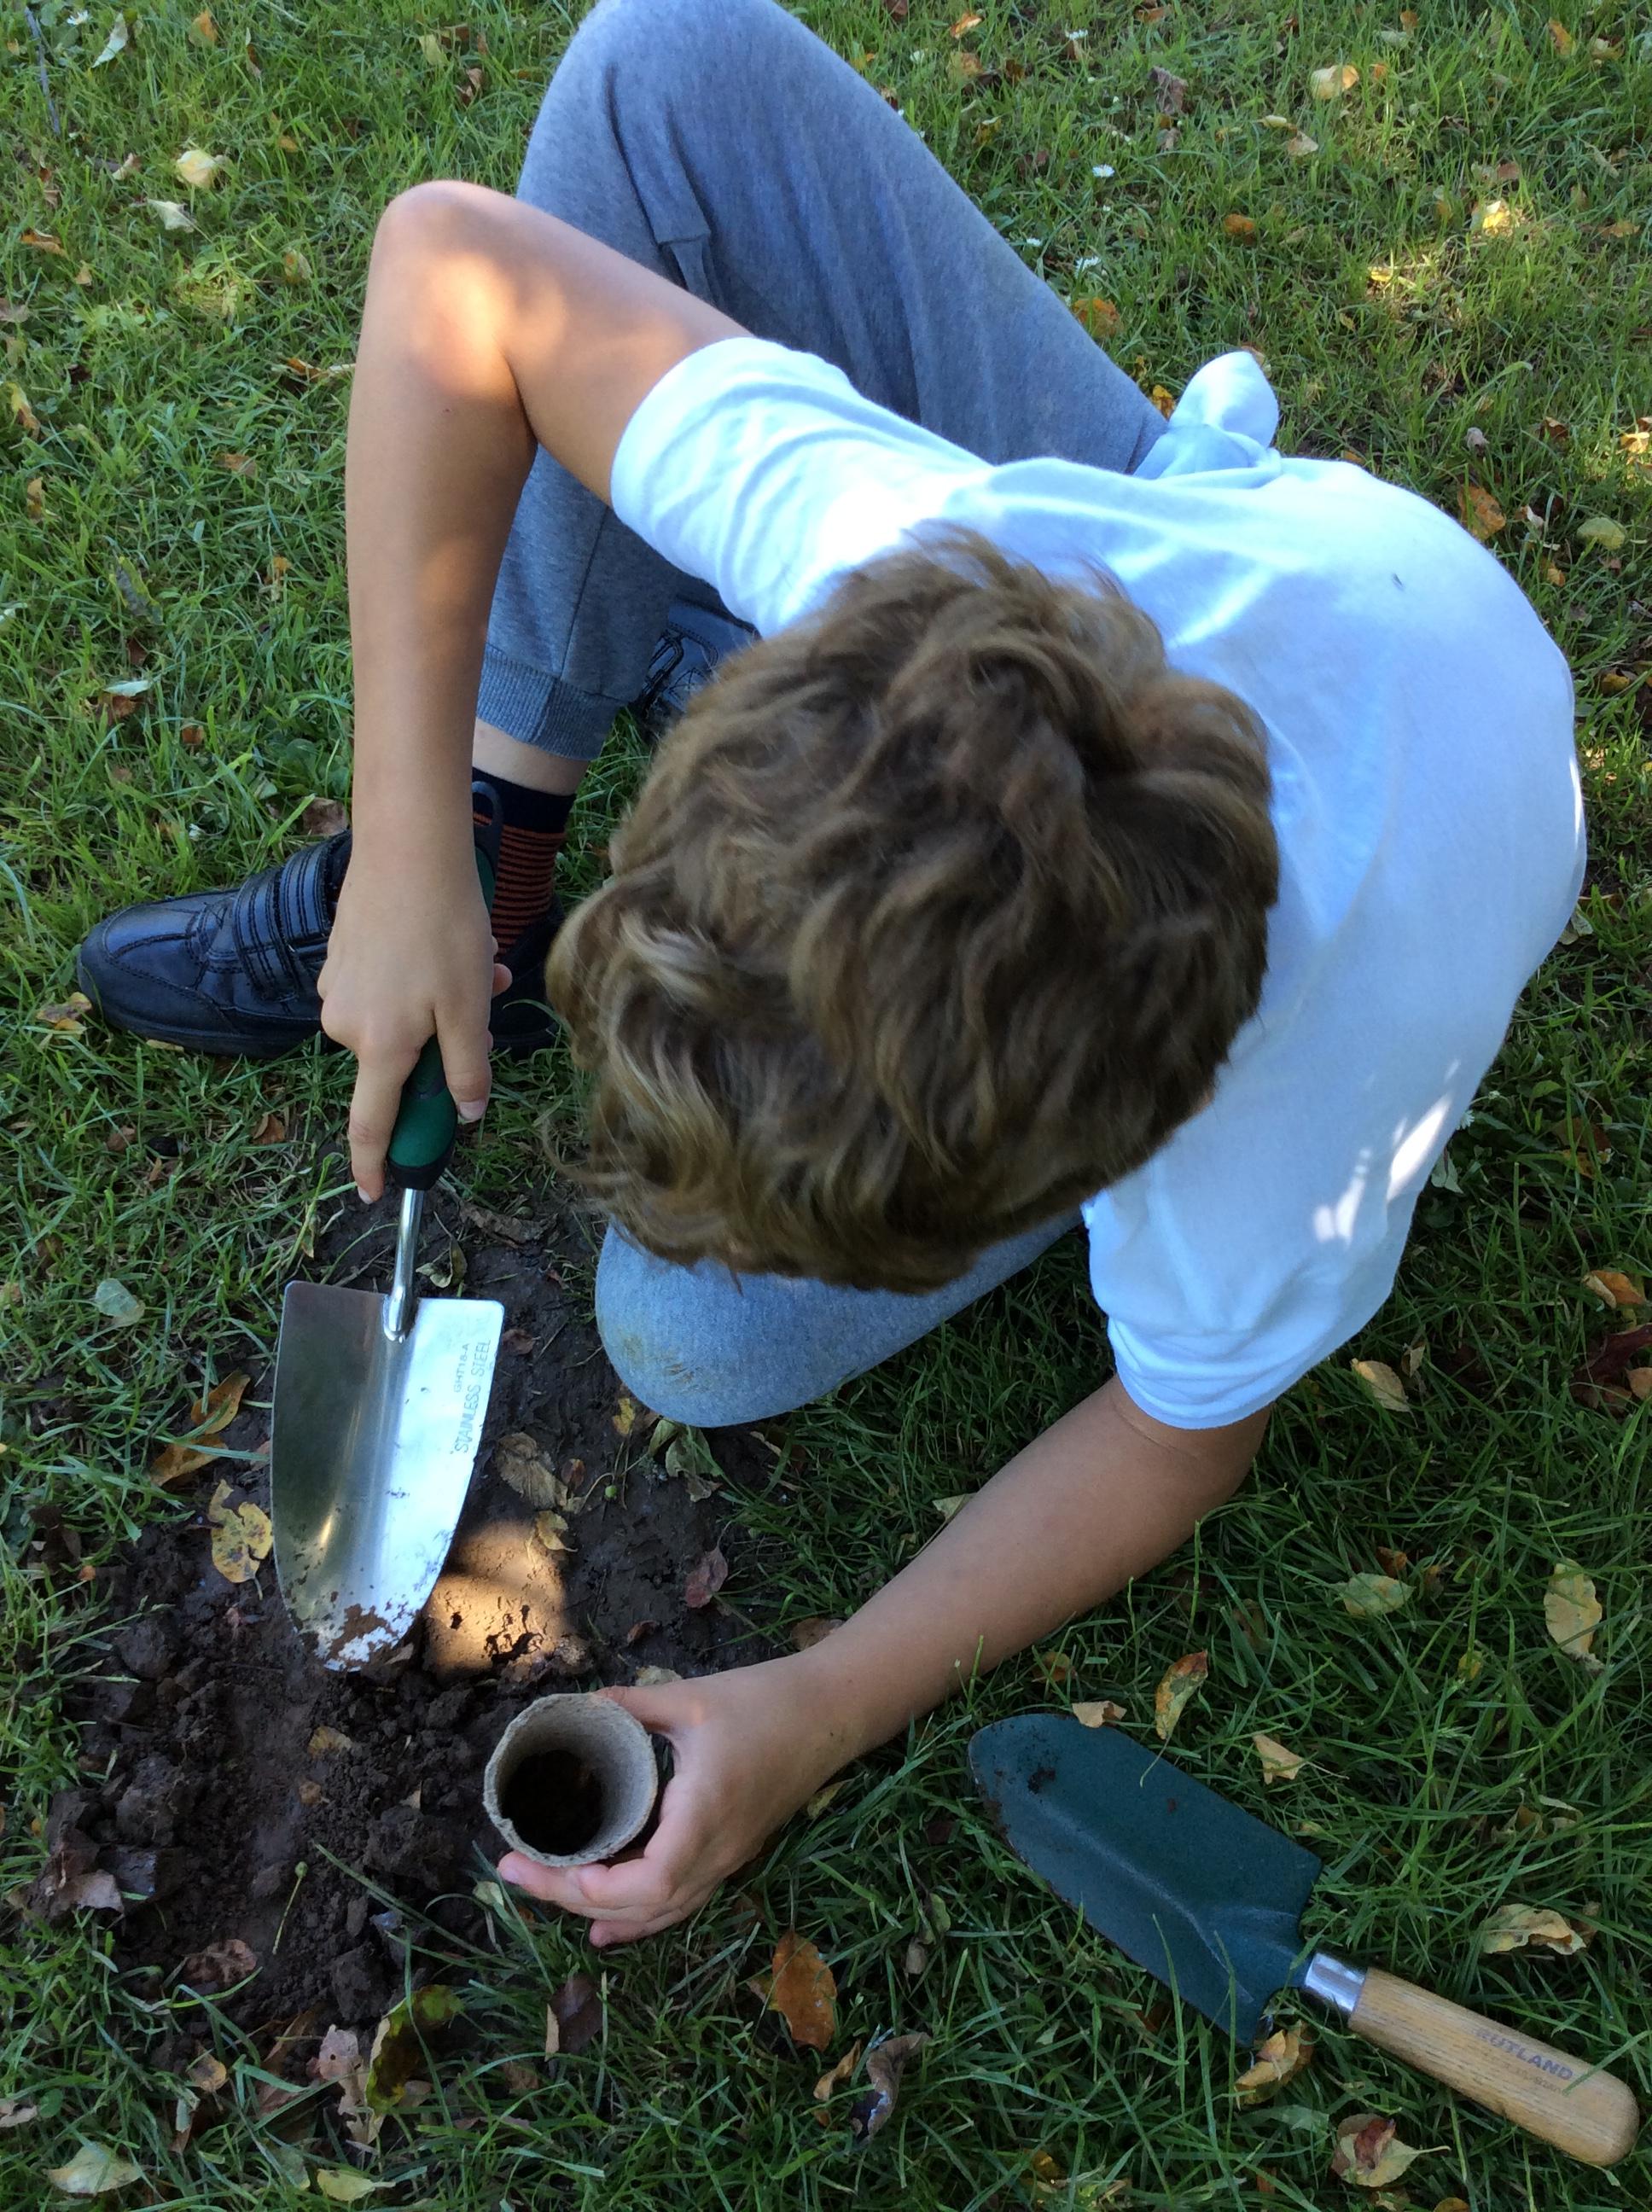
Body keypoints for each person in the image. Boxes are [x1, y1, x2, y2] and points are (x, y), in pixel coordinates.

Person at [77, 0, 1584, 1949]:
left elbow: (1178, 1439)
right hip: (1186, 540)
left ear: (1095, 1162)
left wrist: (819, 1701)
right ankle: (515, 837)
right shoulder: (926, 560)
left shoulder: (1278, 1132)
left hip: (1371, 723)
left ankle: (652, 636)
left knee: (686, 1340)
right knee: (663, 71)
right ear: (833, 653)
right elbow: (453, 259)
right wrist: (422, 846)